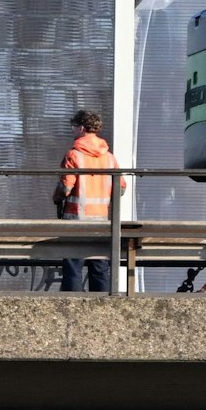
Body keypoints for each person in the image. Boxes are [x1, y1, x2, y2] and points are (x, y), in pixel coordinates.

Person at [52, 107, 115, 292]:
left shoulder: (74, 155)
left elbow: (66, 187)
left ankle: (72, 308)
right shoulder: (109, 158)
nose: (72, 130)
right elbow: (121, 188)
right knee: (99, 267)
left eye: (73, 126)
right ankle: (103, 308)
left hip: (76, 218)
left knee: (73, 266)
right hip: (102, 221)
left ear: (80, 128)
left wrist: (56, 198)